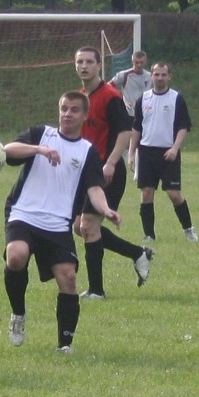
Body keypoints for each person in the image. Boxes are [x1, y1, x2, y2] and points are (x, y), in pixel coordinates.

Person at [3, 91, 120, 353]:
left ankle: (64, 346)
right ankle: (18, 314)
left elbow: (94, 188)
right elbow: (7, 151)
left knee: (68, 278)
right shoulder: (41, 135)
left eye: (74, 110)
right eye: (64, 108)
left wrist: (106, 210)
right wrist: (39, 150)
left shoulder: (87, 151)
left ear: (84, 116)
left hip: (57, 223)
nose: (67, 114)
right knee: (15, 255)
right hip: (24, 213)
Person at [73, 47, 153, 300]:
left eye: (89, 62)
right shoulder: (80, 96)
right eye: (80, 62)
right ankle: (138, 253)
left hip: (108, 171)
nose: (84, 66)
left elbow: (125, 131)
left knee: (88, 225)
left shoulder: (110, 95)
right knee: (80, 226)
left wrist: (111, 162)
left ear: (99, 66)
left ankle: (96, 290)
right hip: (86, 172)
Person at [129, 62, 198, 242]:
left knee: (174, 194)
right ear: (151, 76)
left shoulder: (176, 98)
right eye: (156, 74)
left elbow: (184, 126)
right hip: (146, 153)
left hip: (168, 153)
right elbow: (136, 128)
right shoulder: (142, 99)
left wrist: (175, 148)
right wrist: (130, 154)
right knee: (146, 194)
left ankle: (189, 229)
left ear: (169, 76)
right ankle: (149, 235)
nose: (159, 78)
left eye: (163, 74)